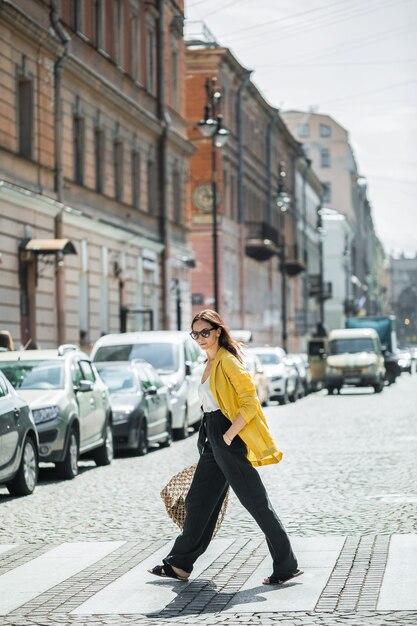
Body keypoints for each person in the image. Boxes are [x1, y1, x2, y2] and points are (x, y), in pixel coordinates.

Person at [149, 310, 302, 586]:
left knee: (255, 501)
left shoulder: (228, 362)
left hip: (226, 436)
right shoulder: (209, 362)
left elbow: (250, 402)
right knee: (198, 499)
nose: (200, 338)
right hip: (212, 436)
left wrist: (229, 436)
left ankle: (286, 564)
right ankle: (180, 564)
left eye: (205, 332)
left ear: (218, 331)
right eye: (195, 334)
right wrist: (215, 438)